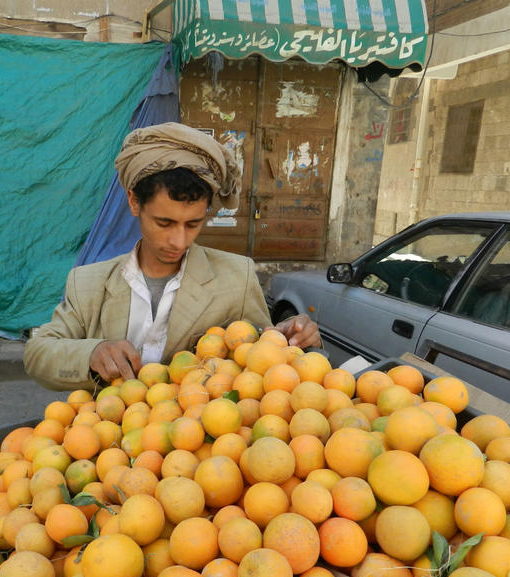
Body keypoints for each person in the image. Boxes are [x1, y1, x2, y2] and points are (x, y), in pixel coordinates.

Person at [24, 122, 321, 391]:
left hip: (201, 445)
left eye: (193, 224)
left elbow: (262, 359)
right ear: (133, 202)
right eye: (164, 223)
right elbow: (39, 353)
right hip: (107, 442)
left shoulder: (237, 277)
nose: (179, 240)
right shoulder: (88, 282)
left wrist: (289, 340)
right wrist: (92, 353)